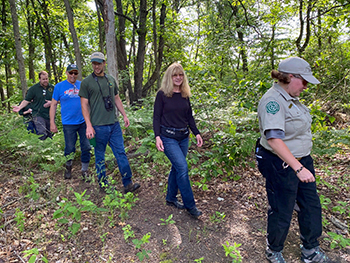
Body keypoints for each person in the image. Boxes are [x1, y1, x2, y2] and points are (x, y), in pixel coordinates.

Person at [255, 57, 330, 263]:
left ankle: (310, 250)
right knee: (282, 207)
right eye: (304, 81)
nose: (306, 87)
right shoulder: (273, 101)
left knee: (311, 205)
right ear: (290, 77)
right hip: (280, 163)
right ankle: (274, 250)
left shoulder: (291, 99)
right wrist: (298, 169)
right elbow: (274, 139)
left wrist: (301, 165)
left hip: (301, 161)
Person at [79, 52, 140, 193]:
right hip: (97, 126)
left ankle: (128, 184)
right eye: (94, 63)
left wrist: (124, 115)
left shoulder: (111, 80)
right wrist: (88, 125)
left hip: (114, 124)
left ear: (104, 63)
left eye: (99, 63)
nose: (96, 66)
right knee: (100, 155)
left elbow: (117, 98)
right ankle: (103, 185)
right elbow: (84, 105)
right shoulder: (87, 82)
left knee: (121, 153)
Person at [153, 62, 203, 219]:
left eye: (180, 75)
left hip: (183, 137)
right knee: (182, 167)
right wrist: (157, 137)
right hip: (168, 137)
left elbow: (189, 116)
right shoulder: (162, 94)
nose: (178, 77)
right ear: (169, 77)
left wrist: (196, 133)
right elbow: (156, 117)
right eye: (175, 75)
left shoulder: (184, 94)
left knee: (176, 167)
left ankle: (170, 198)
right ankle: (190, 205)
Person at [50, 64, 91, 180]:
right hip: (68, 123)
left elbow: (89, 102)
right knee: (69, 148)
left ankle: (84, 170)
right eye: (71, 73)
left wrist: (91, 121)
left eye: (75, 73)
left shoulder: (82, 85)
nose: (73, 75)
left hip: (83, 122)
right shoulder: (59, 86)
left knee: (86, 146)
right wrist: (52, 123)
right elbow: (53, 104)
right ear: (67, 73)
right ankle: (68, 168)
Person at [13, 71, 54, 140]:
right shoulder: (33, 89)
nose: (45, 81)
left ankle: (49, 149)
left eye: (47, 79)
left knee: (50, 134)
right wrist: (19, 107)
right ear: (39, 79)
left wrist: (52, 103)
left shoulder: (52, 88)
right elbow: (26, 100)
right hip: (38, 114)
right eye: (43, 79)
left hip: (50, 114)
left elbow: (60, 100)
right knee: (42, 132)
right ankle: (41, 149)